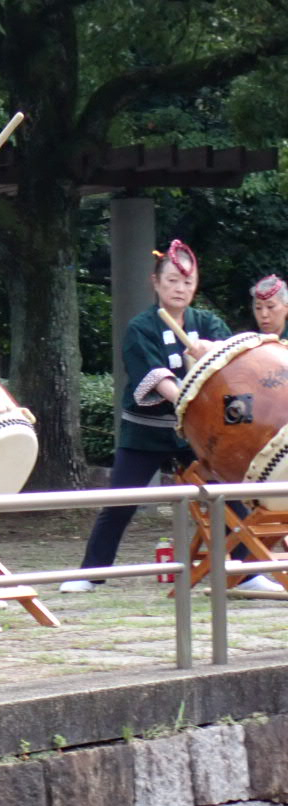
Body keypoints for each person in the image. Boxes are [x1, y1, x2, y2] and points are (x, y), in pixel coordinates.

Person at [60, 240, 282, 594]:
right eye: (173, 282)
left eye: (187, 283)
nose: (180, 289)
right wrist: (189, 398)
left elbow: (236, 360)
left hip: (198, 434)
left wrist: (209, 350)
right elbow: (158, 379)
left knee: (231, 495)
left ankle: (243, 572)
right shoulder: (140, 328)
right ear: (156, 283)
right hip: (148, 432)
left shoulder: (206, 321)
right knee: (121, 501)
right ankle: (92, 571)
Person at [251, 274, 288, 339]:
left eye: (270, 306)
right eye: (258, 308)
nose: (264, 314)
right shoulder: (248, 344)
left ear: (286, 307)